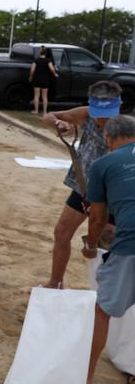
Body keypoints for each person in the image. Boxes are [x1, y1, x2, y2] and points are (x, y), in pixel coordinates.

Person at [40, 80, 122, 289]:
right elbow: (48, 117)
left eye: (108, 113)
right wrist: (59, 124)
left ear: (118, 107)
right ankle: (55, 283)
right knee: (61, 233)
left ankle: (105, 295)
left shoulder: (126, 129)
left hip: (111, 195)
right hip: (83, 187)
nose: (102, 119)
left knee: (106, 244)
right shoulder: (86, 114)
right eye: (98, 113)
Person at [82, 115, 135, 384]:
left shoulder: (103, 163)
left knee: (102, 310)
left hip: (130, 245)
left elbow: (97, 220)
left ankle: (87, 375)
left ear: (109, 139)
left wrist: (91, 245)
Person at [29, 46, 58, 115]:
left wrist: (31, 77)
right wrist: (55, 74)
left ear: (40, 53)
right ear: (46, 53)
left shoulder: (36, 60)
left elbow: (32, 70)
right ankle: (45, 112)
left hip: (37, 80)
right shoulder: (48, 61)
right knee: (44, 96)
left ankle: (36, 111)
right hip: (45, 80)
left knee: (36, 96)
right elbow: (51, 69)